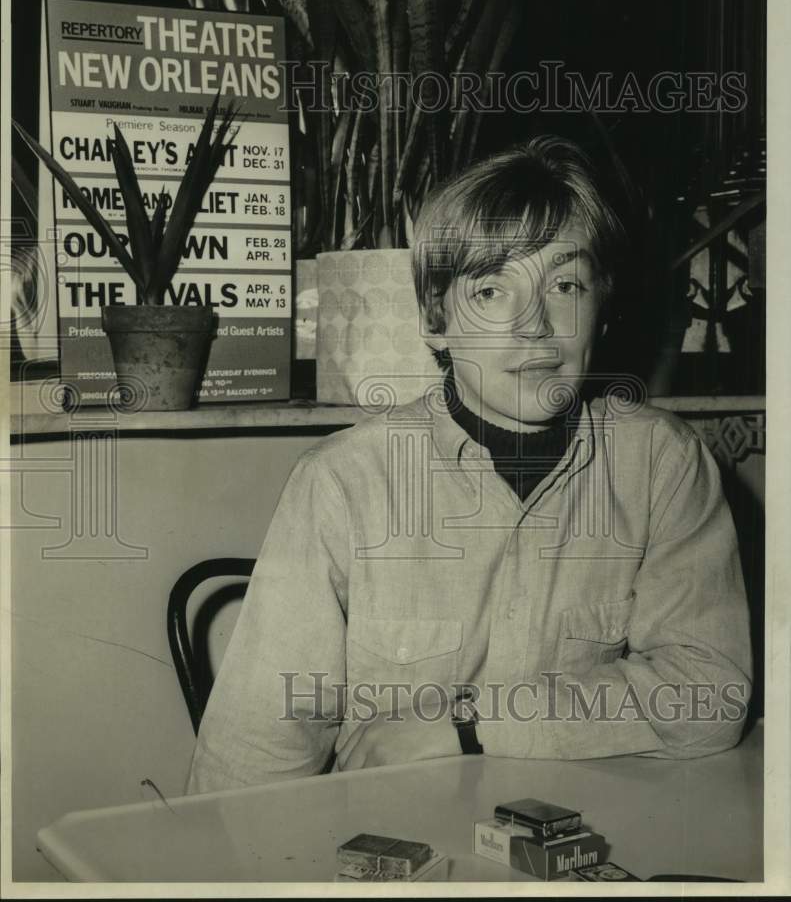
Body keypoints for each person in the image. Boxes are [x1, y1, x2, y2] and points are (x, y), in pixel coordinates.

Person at [187, 136, 752, 793]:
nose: (532, 326)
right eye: (490, 290)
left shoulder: (661, 464)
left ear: (602, 308)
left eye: (564, 284)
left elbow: (708, 696)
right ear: (434, 320)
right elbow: (252, 757)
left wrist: (468, 723)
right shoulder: (343, 482)